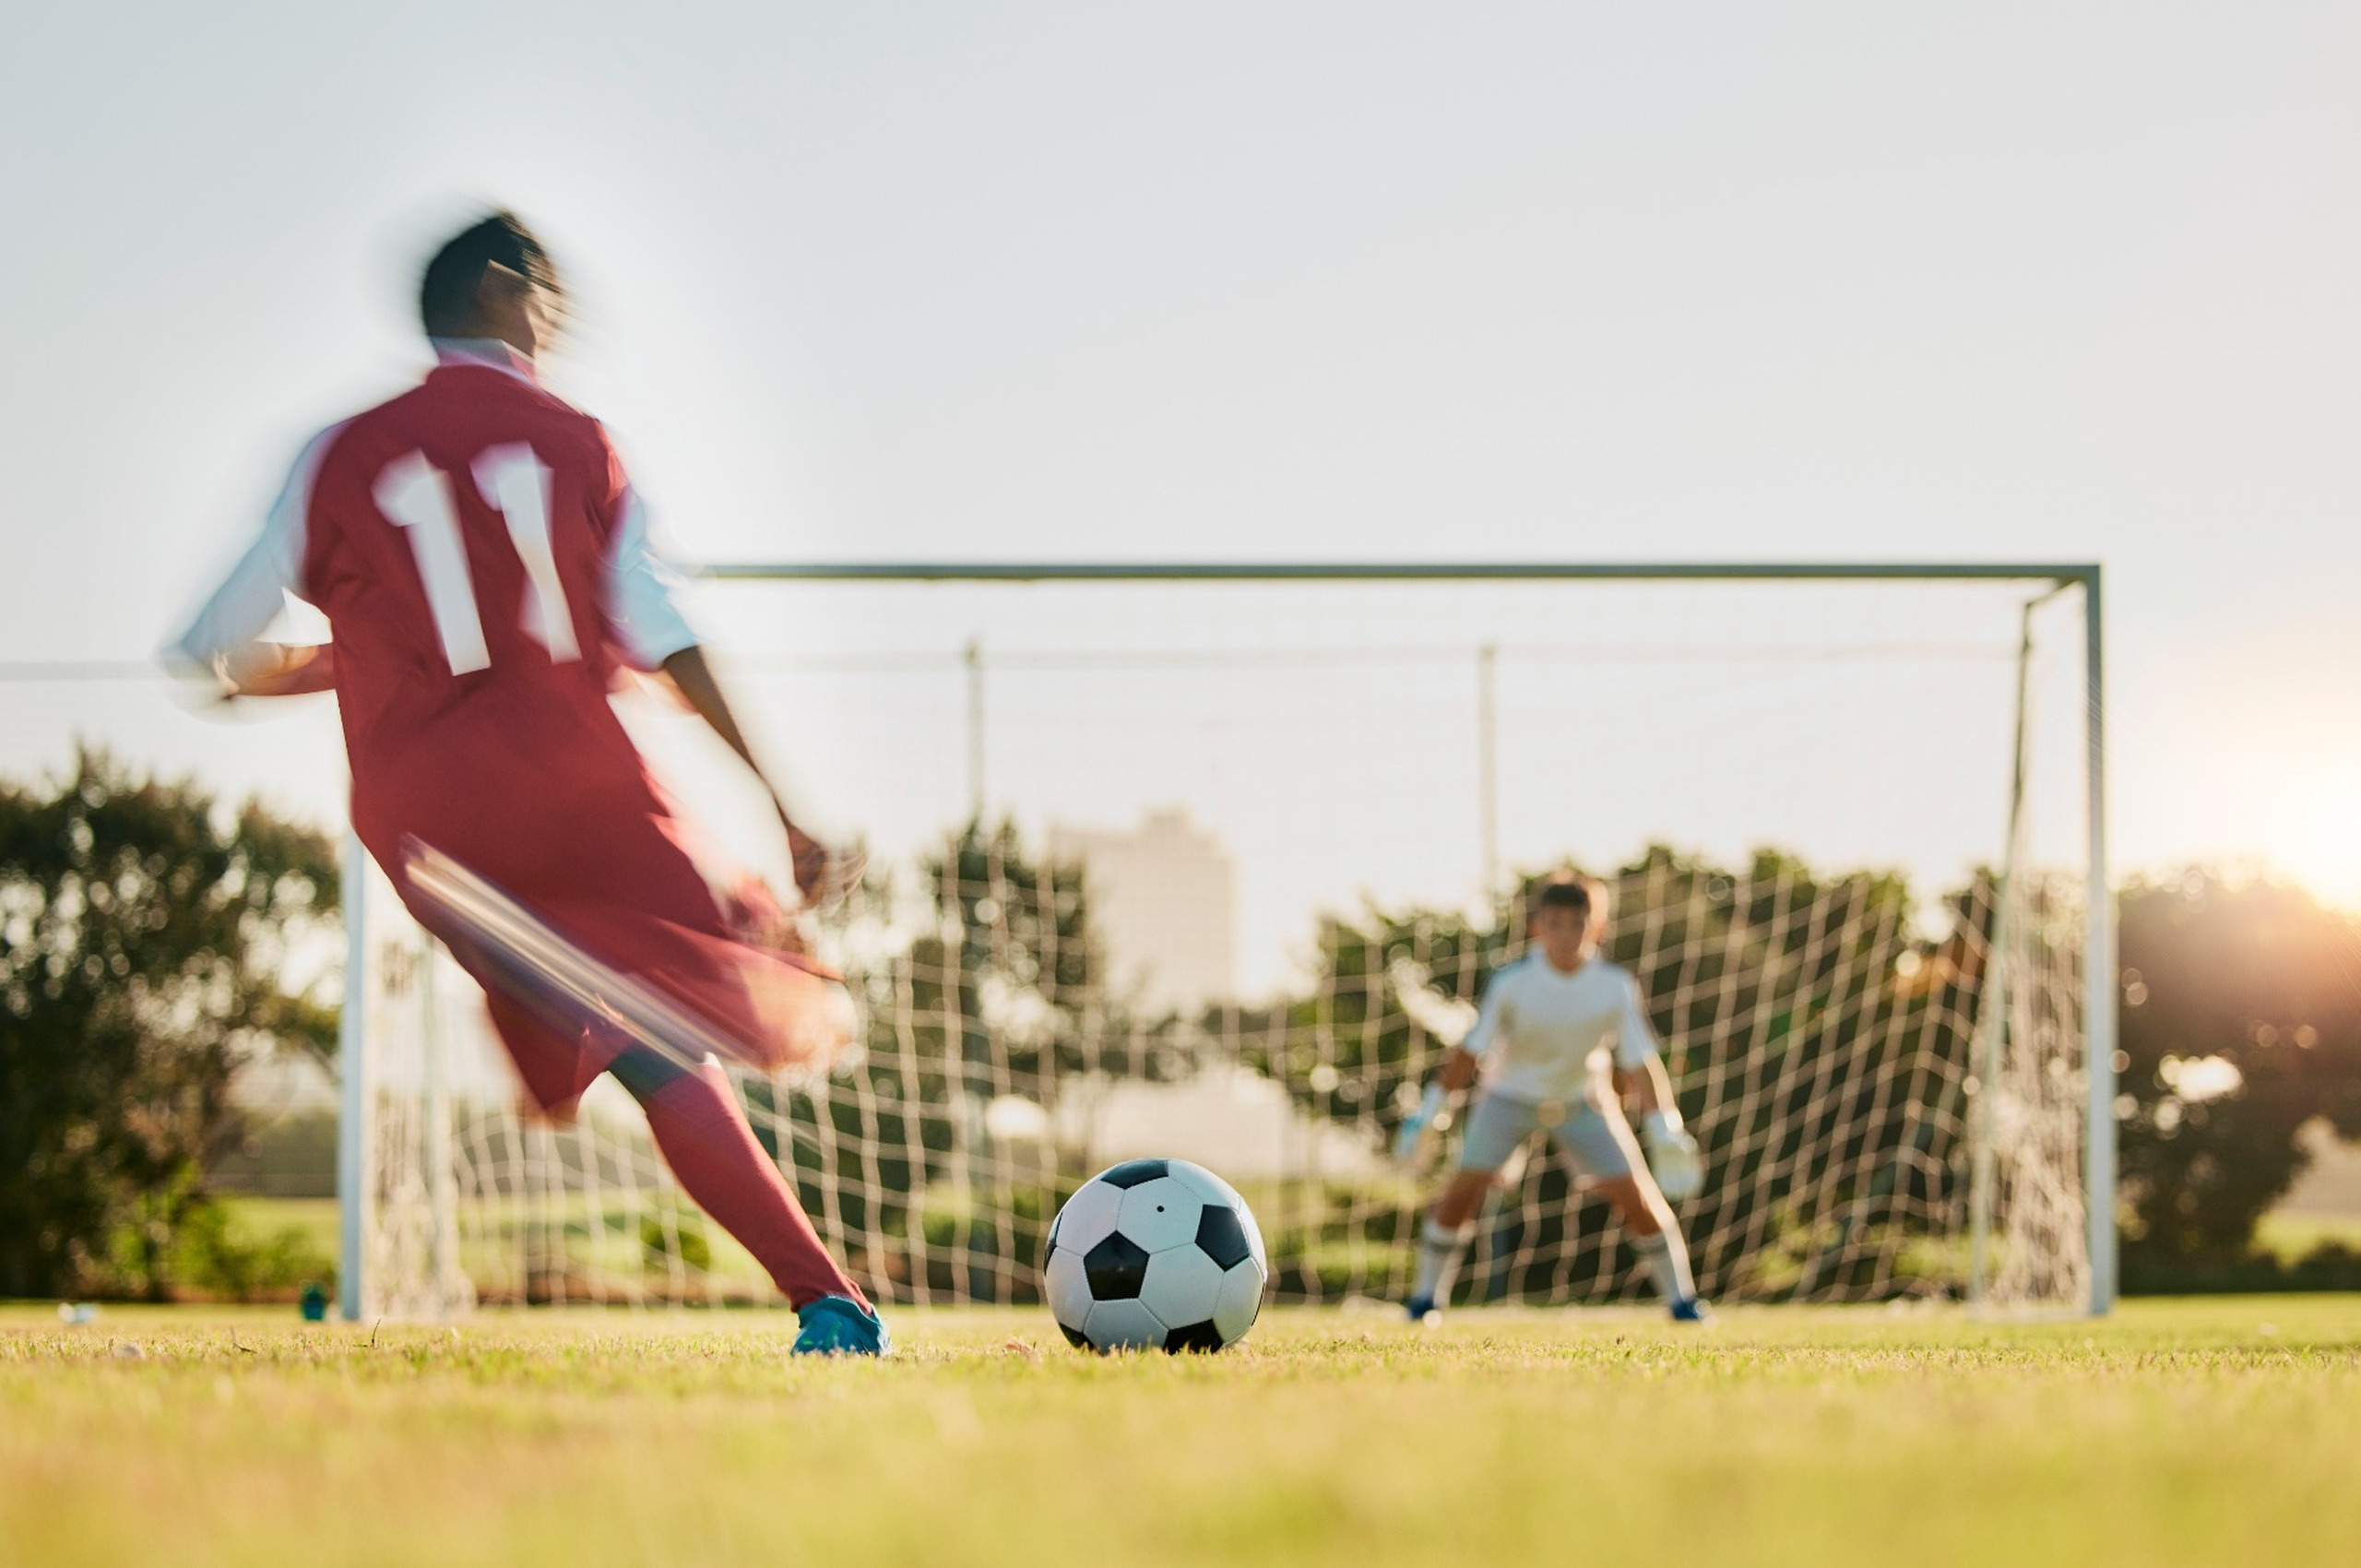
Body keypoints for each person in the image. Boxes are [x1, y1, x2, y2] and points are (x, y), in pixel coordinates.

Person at [163, 210, 887, 1355]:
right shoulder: (581, 441)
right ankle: (830, 1304)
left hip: (434, 829)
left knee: (640, 1037)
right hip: (585, 792)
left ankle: (830, 1300)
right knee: (660, 1039)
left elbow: (203, 648)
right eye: (551, 292)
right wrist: (780, 804)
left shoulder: (335, 454)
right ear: (504, 292)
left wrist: (317, 664)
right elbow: (665, 634)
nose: (563, 316)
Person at [1394, 873, 1708, 1323]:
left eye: (1577, 922)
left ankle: (1683, 1301)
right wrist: (1430, 1111)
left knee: (1637, 1194)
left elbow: (1640, 1062)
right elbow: (1469, 1052)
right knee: (1461, 1192)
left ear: (1597, 927)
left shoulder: (1614, 985)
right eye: (1555, 922)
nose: (1566, 933)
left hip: (1583, 1101)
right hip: (1508, 1098)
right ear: (1536, 926)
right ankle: (1426, 1300)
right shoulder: (1512, 983)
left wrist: (1666, 1125)